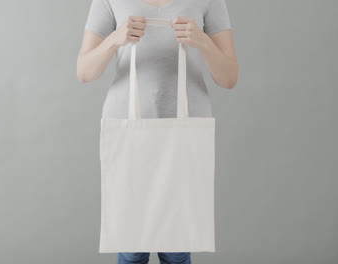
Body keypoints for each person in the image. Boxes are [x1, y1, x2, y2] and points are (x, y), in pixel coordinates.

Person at [77, 0, 238, 263]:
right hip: (130, 133)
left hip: (184, 134)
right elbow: (84, 72)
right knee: (131, 249)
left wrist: (202, 41)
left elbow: (229, 77)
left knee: (176, 248)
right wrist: (114, 40)